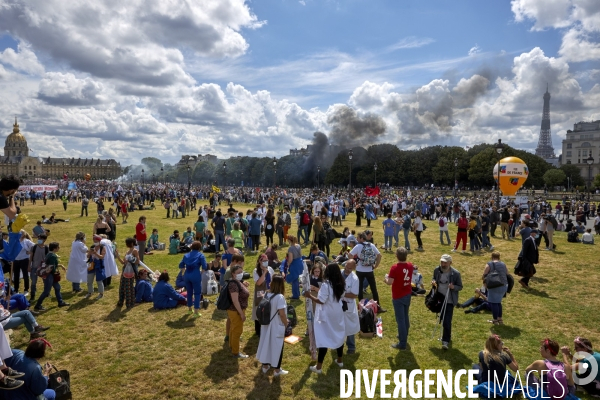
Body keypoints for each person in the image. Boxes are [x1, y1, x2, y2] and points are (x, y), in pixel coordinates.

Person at [304, 263, 346, 374]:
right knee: (338, 335)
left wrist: (309, 296)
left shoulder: (326, 285)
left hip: (327, 314)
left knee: (323, 338)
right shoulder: (341, 282)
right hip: (337, 312)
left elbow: (321, 300)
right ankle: (340, 360)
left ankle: (319, 367)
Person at [256, 275, 289, 376]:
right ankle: (277, 370)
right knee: (278, 347)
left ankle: (265, 366)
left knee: (266, 344)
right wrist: (286, 323)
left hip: (266, 324)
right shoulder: (280, 297)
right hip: (276, 325)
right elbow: (282, 314)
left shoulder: (267, 294)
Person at [385, 247, 414, 350]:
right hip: (407, 294)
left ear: (396, 256)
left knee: (400, 319)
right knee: (405, 316)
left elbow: (389, 282)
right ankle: (404, 334)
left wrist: (386, 279)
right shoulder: (410, 265)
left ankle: (402, 343)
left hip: (398, 296)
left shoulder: (395, 267)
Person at [432, 254, 463, 350]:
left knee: (447, 321)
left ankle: (445, 341)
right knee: (441, 317)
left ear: (450, 262)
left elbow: (460, 286)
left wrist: (454, 287)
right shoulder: (437, 270)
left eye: (445, 262)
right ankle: (445, 335)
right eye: (442, 262)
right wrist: (433, 282)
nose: (443, 264)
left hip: (449, 300)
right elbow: (434, 278)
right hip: (439, 299)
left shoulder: (455, 274)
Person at [349, 232, 385, 313]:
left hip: (359, 270)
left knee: (360, 289)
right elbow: (379, 255)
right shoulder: (371, 245)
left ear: (362, 238)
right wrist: (376, 266)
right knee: (374, 289)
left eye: (358, 238)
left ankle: (362, 307)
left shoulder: (358, 246)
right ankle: (378, 307)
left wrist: (355, 263)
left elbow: (350, 255)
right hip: (369, 270)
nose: (357, 240)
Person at [34, 242, 69, 311]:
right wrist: (56, 272)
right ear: (54, 248)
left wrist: (60, 265)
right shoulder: (53, 256)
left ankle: (60, 302)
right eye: (58, 247)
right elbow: (52, 267)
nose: (59, 248)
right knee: (46, 291)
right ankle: (38, 305)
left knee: (57, 287)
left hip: (49, 275)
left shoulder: (49, 254)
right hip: (49, 275)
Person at [227, 263, 250, 359]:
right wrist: (241, 314)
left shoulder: (237, 282)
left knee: (233, 328)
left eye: (242, 272)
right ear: (233, 274)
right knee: (237, 331)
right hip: (236, 311)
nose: (241, 273)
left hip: (235, 311)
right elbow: (235, 301)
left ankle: (232, 346)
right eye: (238, 272)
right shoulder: (233, 285)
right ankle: (235, 352)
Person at [179, 241, 207, 317]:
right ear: (199, 247)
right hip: (195, 274)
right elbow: (204, 266)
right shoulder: (200, 255)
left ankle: (189, 309)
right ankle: (196, 311)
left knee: (189, 292)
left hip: (187, 274)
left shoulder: (186, 255)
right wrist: (201, 273)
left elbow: (181, 265)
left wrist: (184, 270)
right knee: (197, 293)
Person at [481, 251, 509, 325]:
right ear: (499, 257)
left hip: (494, 286)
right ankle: (500, 319)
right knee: (498, 302)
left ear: (492, 257)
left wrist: (485, 284)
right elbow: (507, 273)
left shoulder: (489, 264)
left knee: (493, 303)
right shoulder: (503, 264)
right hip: (504, 285)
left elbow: (484, 275)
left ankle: (495, 320)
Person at [252, 254, 275, 336]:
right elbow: (258, 282)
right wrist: (264, 272)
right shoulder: (256, 271)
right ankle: (258, 330)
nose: (266, 262)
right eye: (264, 261)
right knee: (259, 310)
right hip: (260, 294)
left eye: (267, 260)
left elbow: (273, 279)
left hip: (269, 292)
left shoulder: (270, 269)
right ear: (259, 261)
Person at [341, 259, 360, 355]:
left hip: (348, 305)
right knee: (338, 324)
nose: (347, 269)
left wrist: (342, 294)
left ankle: (351, 347)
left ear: (353, 268)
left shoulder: (355, 279)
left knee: (350, 327)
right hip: (338, 304)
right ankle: (338, 344)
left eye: (350, 268)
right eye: (346, 267)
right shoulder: (339, 273)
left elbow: (354, 295)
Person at [115, 238, 139, 309]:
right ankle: (120, 302)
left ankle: (130, 303)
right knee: (122, 287)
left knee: (129, 288)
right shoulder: (127, 252)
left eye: (127, 243)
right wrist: (118, 256)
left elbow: (137, 261)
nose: (126, 245)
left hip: (130, 271)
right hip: (125, 271)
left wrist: (131, 260)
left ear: (131, 243)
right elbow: (123, 262)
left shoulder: (135, 251)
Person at [285, 235, 303, 300]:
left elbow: (291, 259)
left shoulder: (291, 248)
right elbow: (301, 255)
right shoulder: (298, 246)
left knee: (294, 280)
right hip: (300, 262)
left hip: (294, 264)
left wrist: (288, 264)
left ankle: (295, 295)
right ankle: (297, 293)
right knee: (297, 279)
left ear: (289, 240)